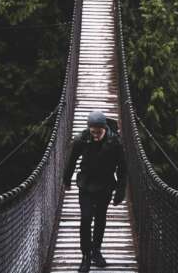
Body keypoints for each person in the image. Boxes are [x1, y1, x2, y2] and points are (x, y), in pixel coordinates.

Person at [63, 110, 127, 272]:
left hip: (105, 186)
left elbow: (122, 168)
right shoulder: (82, 140)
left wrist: (120, 190)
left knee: (100, 218)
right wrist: (67, 180)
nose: (96, 135)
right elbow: (71, 161)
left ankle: (96, 251)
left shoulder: (115, 142)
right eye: (93, 132)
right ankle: (85, 256)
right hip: (86, 185)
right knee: (85, 219)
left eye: (99, 132)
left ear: (105, 128)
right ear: (89, 129)